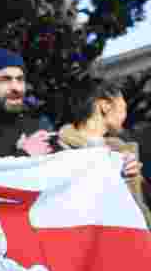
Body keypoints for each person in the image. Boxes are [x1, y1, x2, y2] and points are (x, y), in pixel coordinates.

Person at [54, 78, 149, 225]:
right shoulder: (57, 150)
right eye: (123, 107)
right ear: (105, 106)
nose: (125, 114)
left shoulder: (121, 149)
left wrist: (136, 180)